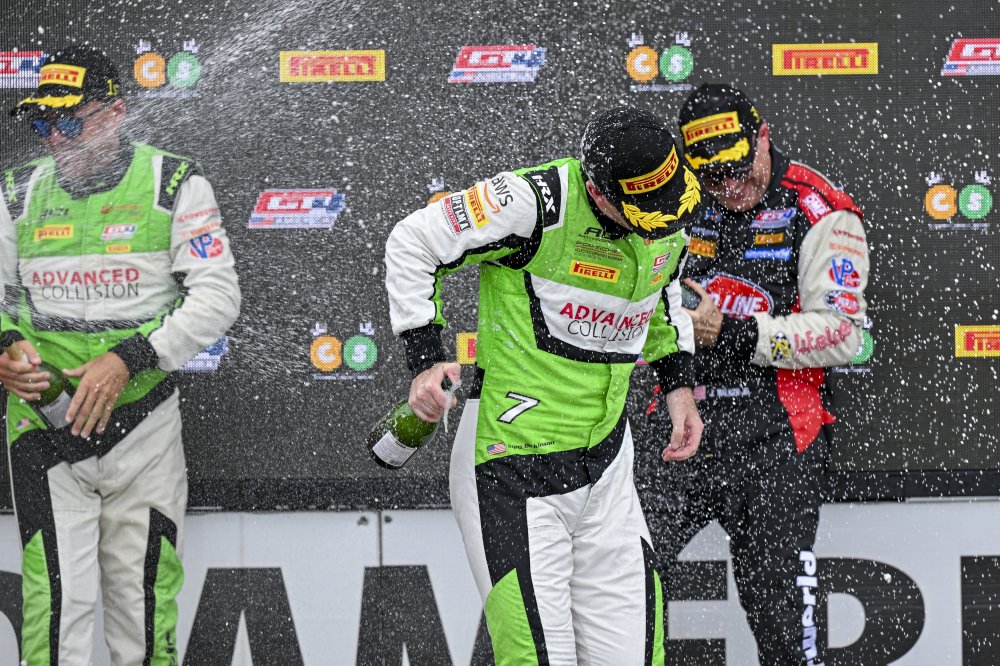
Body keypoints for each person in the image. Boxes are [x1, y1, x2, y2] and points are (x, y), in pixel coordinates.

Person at [384, 106, 705, 664]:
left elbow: (665, 288)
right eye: (645, 213)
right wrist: (425, 360)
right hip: (512, 468)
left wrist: (679, 386)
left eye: (670, 203)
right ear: (598, 192)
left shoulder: (667, 205)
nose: (663, 222)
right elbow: (413, 241)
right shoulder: (533, 202)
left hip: (606, 467)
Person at [0, 45, 240, 664]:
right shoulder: (15, 191)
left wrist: (130, 358)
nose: (56, 138)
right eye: (42, 122)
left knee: (144, 613)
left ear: (114, 113)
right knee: (55, 609)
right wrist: (4, 345)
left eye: (69, 120)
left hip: (143, 423)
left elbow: (218, 297)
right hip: (45, 426)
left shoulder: (175, 182)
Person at [637, 83, 870, 666]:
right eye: (712, 177)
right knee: (623, 592)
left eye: (739, 170)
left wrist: (733, 333)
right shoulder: (672, 205)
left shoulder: (819, 207)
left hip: (777, 440)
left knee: (784, 624)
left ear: (762, 137)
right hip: (676, 426)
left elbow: (844, 334)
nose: (729, 186)